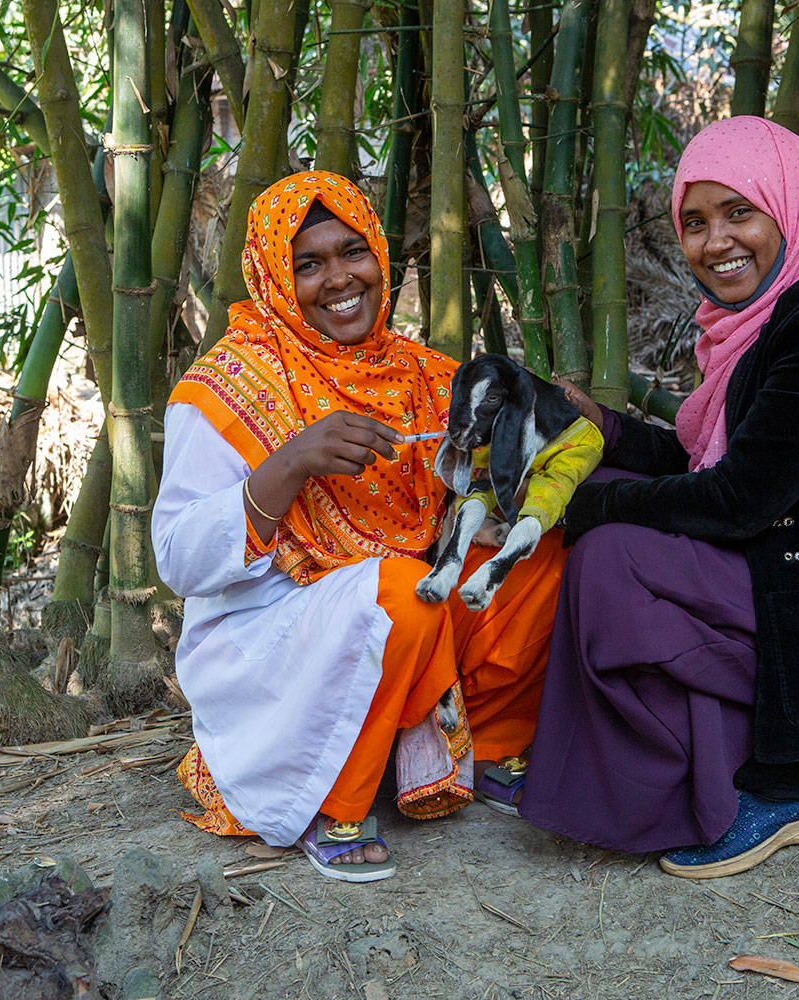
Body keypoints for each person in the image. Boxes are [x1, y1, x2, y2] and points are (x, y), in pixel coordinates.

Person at [516, 117, 799, 878]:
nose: (716, 242)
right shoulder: (768, 312)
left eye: (740, 212)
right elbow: (713, 458)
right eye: (695, 223)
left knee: (609, 555)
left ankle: (751, 790)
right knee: (593, 475)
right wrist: (604, 431)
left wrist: (582, 513)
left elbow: (738, 500)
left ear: (787, 205)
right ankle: (695, 750)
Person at [152, 171, 565, 883]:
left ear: (379, 253)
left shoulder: (421, 374)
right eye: (307, 264)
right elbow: (178, 561)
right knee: (402, 593)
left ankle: (488, 751)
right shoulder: (224, 388)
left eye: (352, 252)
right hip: (276, 633)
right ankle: (335, 803)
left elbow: (474, 499)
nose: (338, 278)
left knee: (538, 548)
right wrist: (288, 465)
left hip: (402, 608)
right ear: (274, 278)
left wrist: (530, 444)